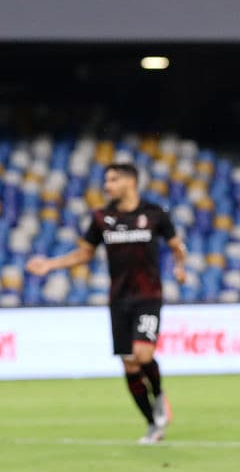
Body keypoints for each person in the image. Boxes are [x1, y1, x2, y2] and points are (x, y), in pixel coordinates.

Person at [27, 162, 185, 444]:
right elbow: (84, 254)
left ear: (130, 182)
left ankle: (159, 394)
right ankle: (152, 424)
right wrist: (50, 265)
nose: (107, 185)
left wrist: (180, 266)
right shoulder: (102, 217)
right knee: (129, 365)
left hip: (148, 297)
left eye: (112, 180)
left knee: (143, 355)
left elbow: (175, 245)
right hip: (119, 300)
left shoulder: (155, 214)